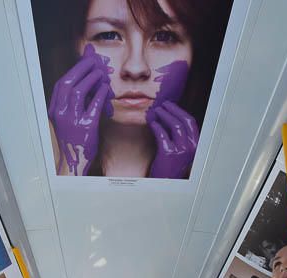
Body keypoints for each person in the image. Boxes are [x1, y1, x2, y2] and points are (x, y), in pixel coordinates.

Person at [33, 0, 232, 178]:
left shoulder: (220, 157)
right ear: (76, 46)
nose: (136, 68)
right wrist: (72, 163)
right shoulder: (37, 144)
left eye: (164, 36)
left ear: (194, 52)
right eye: (109, 35)